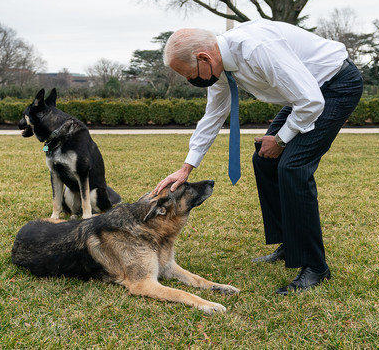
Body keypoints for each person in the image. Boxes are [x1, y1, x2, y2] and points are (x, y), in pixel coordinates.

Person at [153, 19, 363, 295]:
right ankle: (291, 244)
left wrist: (280, 139)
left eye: (190, 75)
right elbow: (213, 115)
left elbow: (312, 101)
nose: (192, 81)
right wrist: (186, 168)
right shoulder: (220, 67)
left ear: (204, 57)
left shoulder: (256, 49)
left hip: (334, 87)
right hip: (305, 93)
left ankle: (315, 266)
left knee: (293, 167)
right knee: (265, 160)